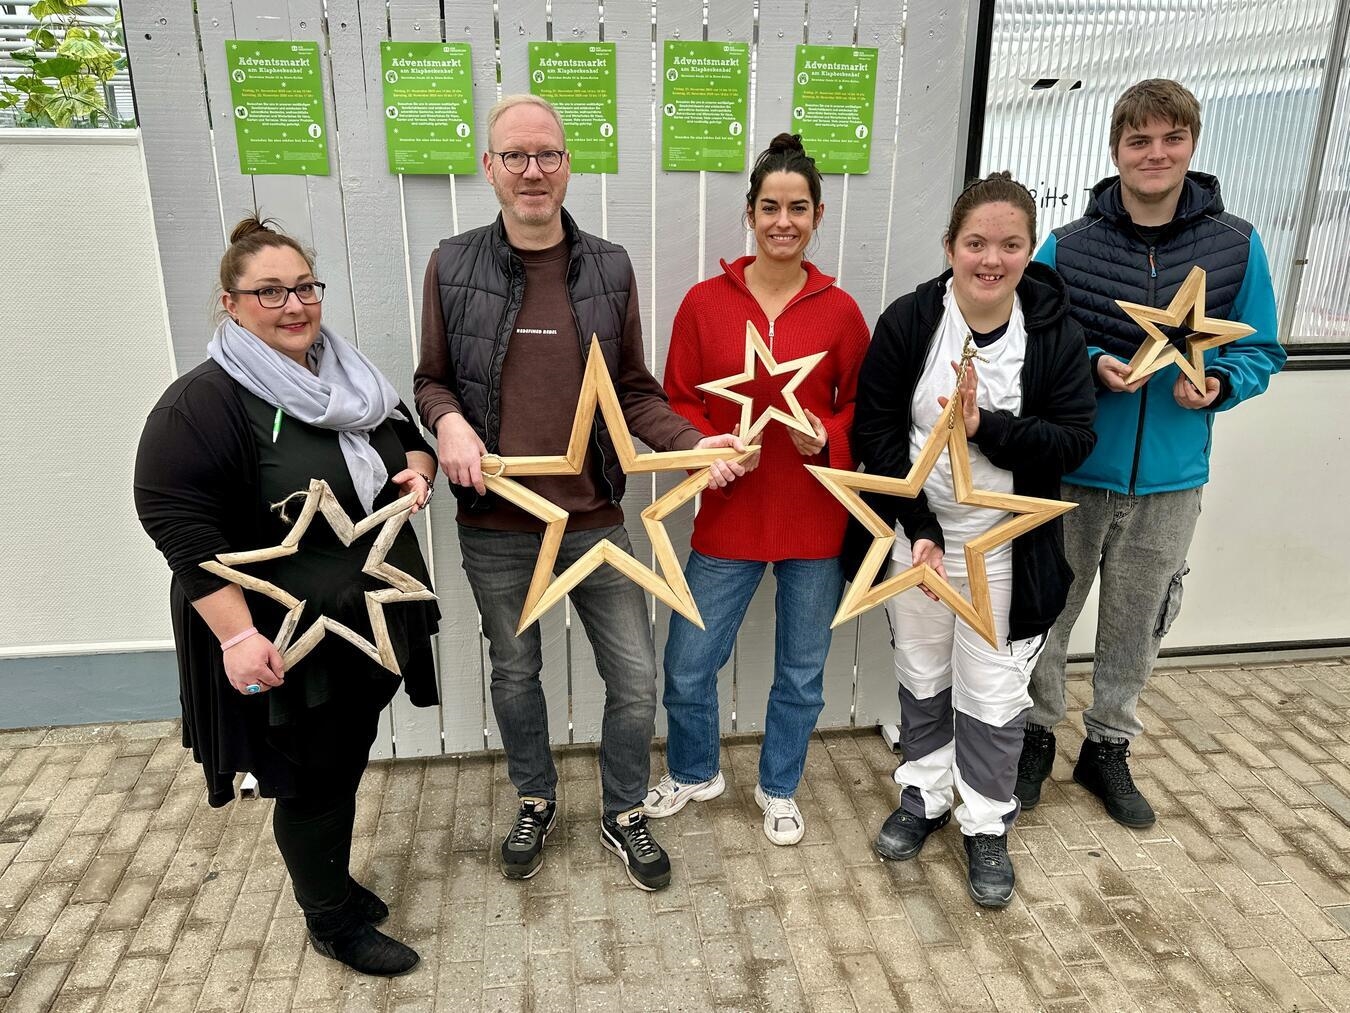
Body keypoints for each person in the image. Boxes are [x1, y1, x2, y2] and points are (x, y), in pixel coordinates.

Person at [413, 94, 746, 892]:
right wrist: (449, 424)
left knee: (634, 677)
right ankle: (535, 795)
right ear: (489, 167)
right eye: (517, 156)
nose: (534, 171)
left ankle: (622, 808)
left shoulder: (609, 264)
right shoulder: (451, 263)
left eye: (548, 156)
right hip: (497, 523)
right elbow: (432, 380)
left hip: (596, 518)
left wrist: (693, 444)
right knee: (515, 672)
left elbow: (632, 389)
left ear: (568, 165)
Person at [134, 217, 440, 975]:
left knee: (343, 757)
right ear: (230, 304)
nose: (294, 304)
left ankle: (331, 881)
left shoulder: (345, 375)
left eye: (304, 286)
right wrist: (237, 635)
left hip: (362, 615)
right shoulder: (203, 403)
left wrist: (418, 469)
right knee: (313, 775)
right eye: (269, 291)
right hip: (286, 632)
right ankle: (329, 919)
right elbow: (171, 515)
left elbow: (399, 430)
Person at [1016, 80, 1286, 828]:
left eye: (1171, 138)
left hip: (1170, 478)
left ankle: (1107, 746)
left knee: (1138, 620)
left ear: (1192, 143)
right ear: (1117, 150)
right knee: (1047, 610)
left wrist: (1223, 382)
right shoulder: (1067, 245)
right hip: (1072, 470)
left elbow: (1263, 349)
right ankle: (1034, 735)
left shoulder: (1237, 246)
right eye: (1139, 141)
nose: (1155, 154)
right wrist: (1092, 359)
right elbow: (1034, 338)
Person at [851, 173, 1096, 906]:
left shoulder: (1053, 333)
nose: (992, 258)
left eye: (1010, 244)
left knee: (992, 690)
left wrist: (987, 425)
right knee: (924, 674)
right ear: (951, 246)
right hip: (921, 538)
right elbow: (877, 430)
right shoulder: (910, 319)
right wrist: (920, 527)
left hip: (1008, 546)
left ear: (1029, 250)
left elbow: (1075, 441)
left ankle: (985, 822)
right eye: (976, 243)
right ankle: (923, 796)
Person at [643, 134, 870, 846]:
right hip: (730, 513)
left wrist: (828, 434)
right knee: (687, 663)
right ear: (749, 213)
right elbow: (677, 399)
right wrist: (701, 449)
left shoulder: (839, 311)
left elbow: (869, 406)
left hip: (813, 523)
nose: (783, 220)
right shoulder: (705, 304)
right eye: (770, 206)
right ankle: (693, 769)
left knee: (800, 673)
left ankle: (778, 786)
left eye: (797, 208)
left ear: (818, 214)